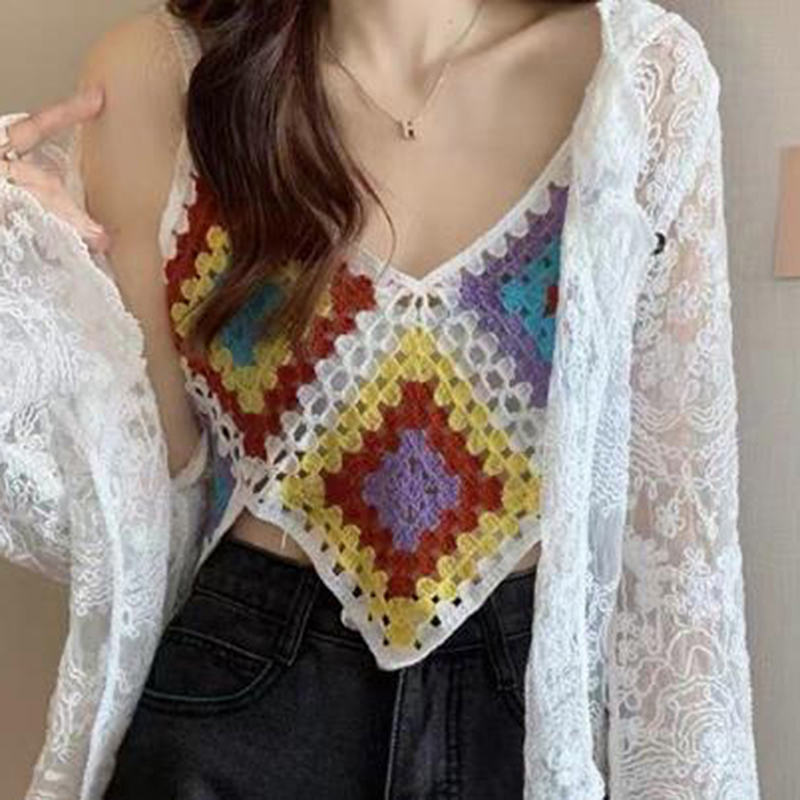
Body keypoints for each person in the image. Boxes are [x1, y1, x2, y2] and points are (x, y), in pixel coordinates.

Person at [0, 0, 760, 797]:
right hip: (242, 694)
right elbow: (135, 494)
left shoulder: (642, 79)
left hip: (528, 711)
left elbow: (677, 533)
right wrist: (24, 274)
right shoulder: (159, 74)